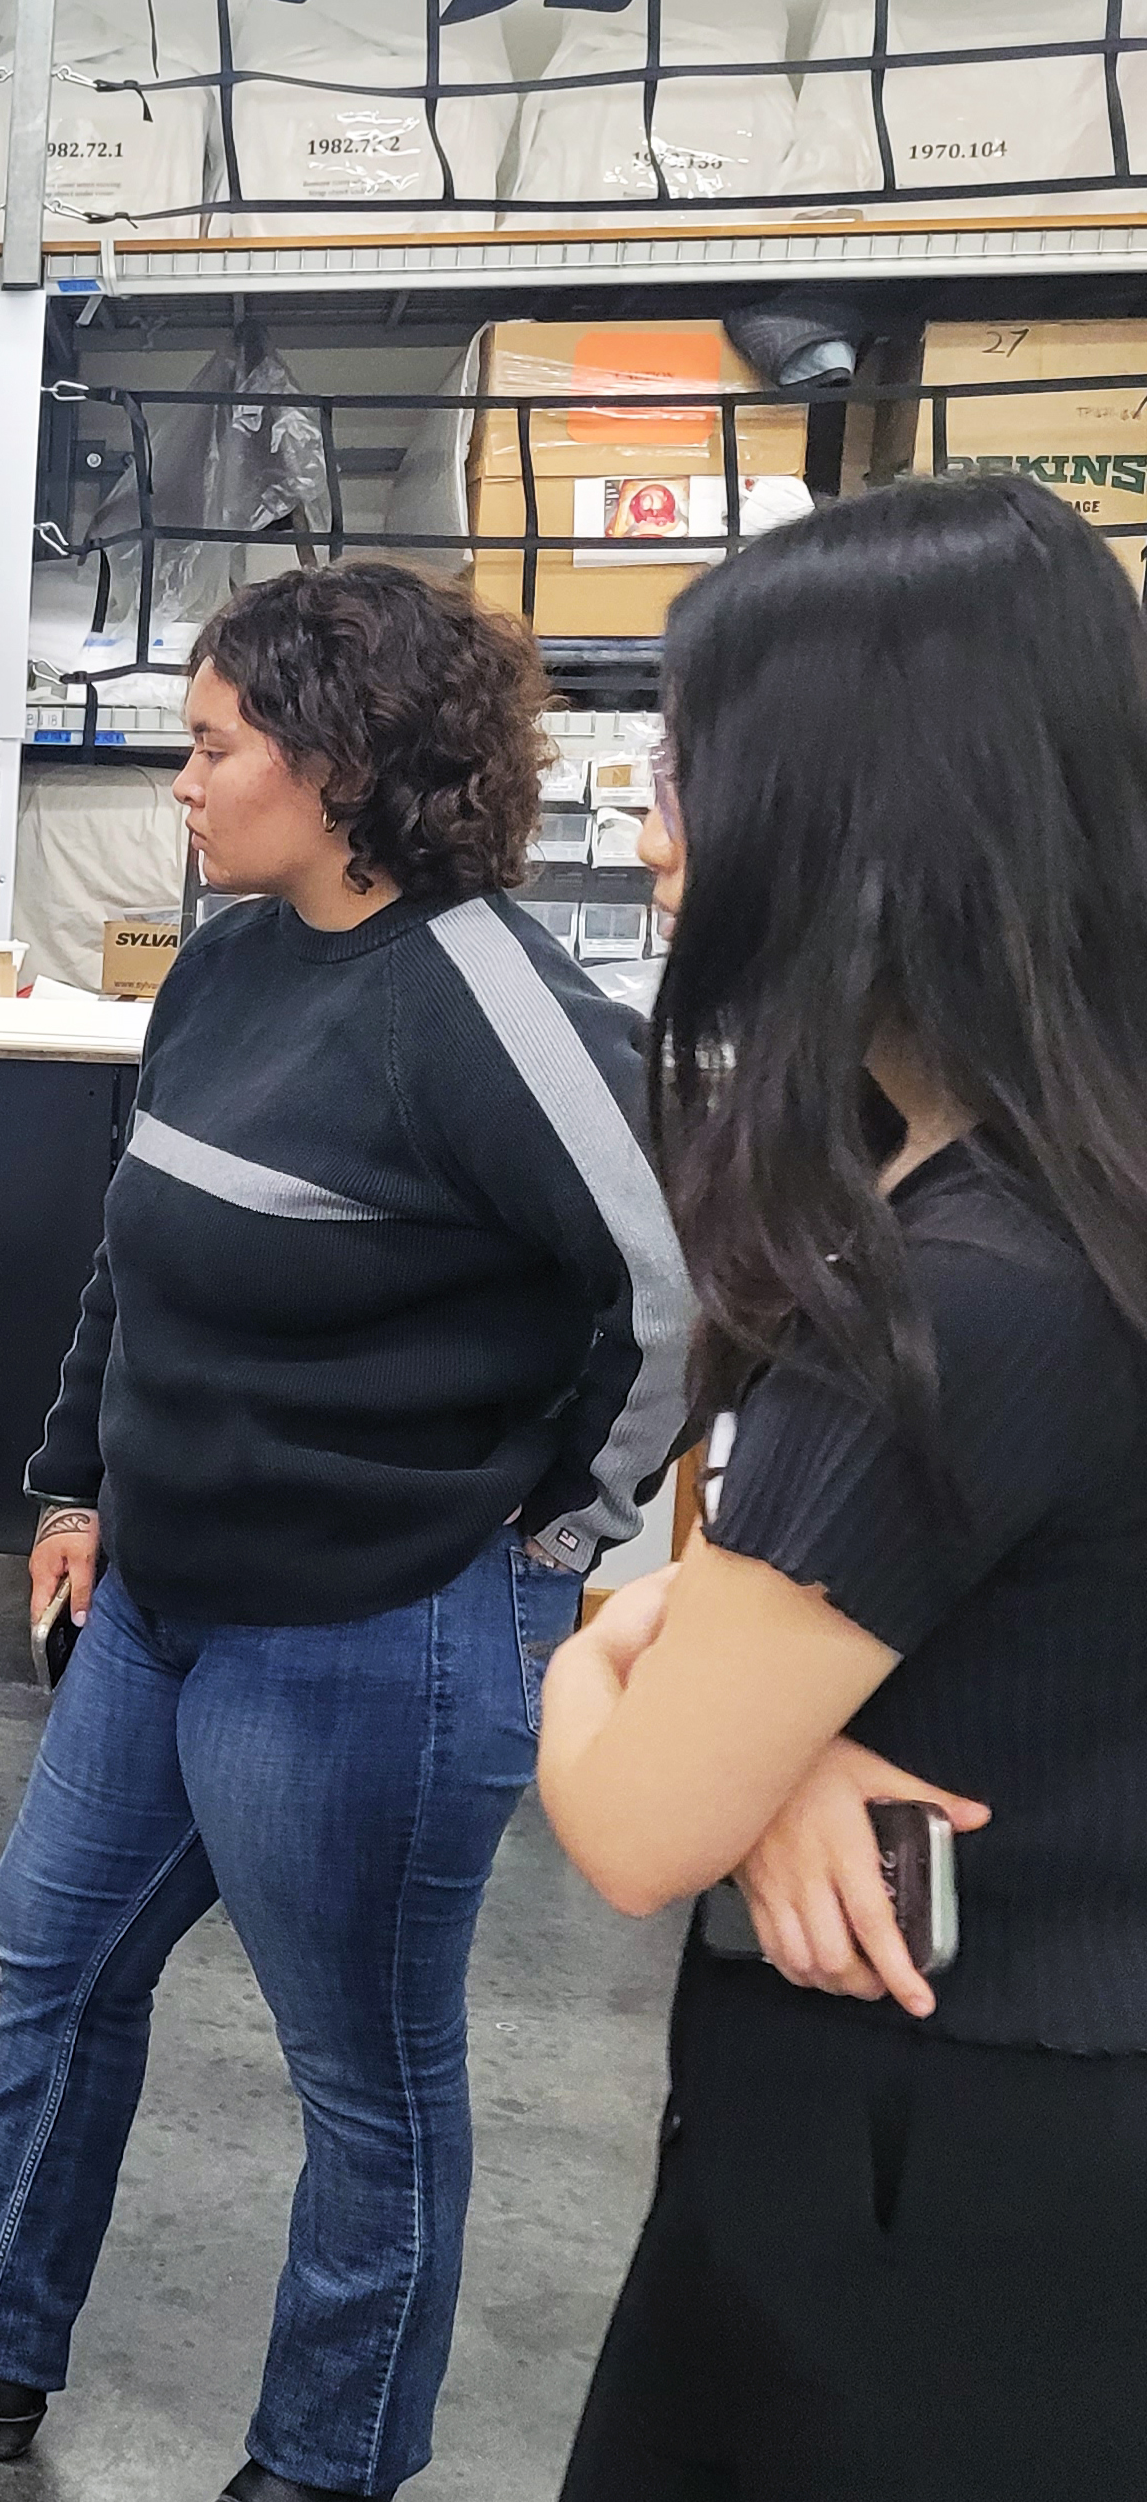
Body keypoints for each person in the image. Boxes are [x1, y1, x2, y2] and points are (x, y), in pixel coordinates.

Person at [0, 564, 692, 2493]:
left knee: (366, 2077)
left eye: (215, 746)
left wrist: (556, 1534)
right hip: (167, 1603)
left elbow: (679, 1293)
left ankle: (327, 2459)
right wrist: (77, 1483)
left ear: (344, 761)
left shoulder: (487, 1004)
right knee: (57, 1954)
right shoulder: (227, 964)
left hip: (377, 1629)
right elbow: (131, 1253)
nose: (184, 783)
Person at [539, 474, 1147, 2495]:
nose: (654, 832)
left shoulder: (956, 1287)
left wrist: (610, 1644)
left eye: (689, 775)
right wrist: (772, 1734)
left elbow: (634, 1822)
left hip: (926, 2157)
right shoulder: (1052, 1188)